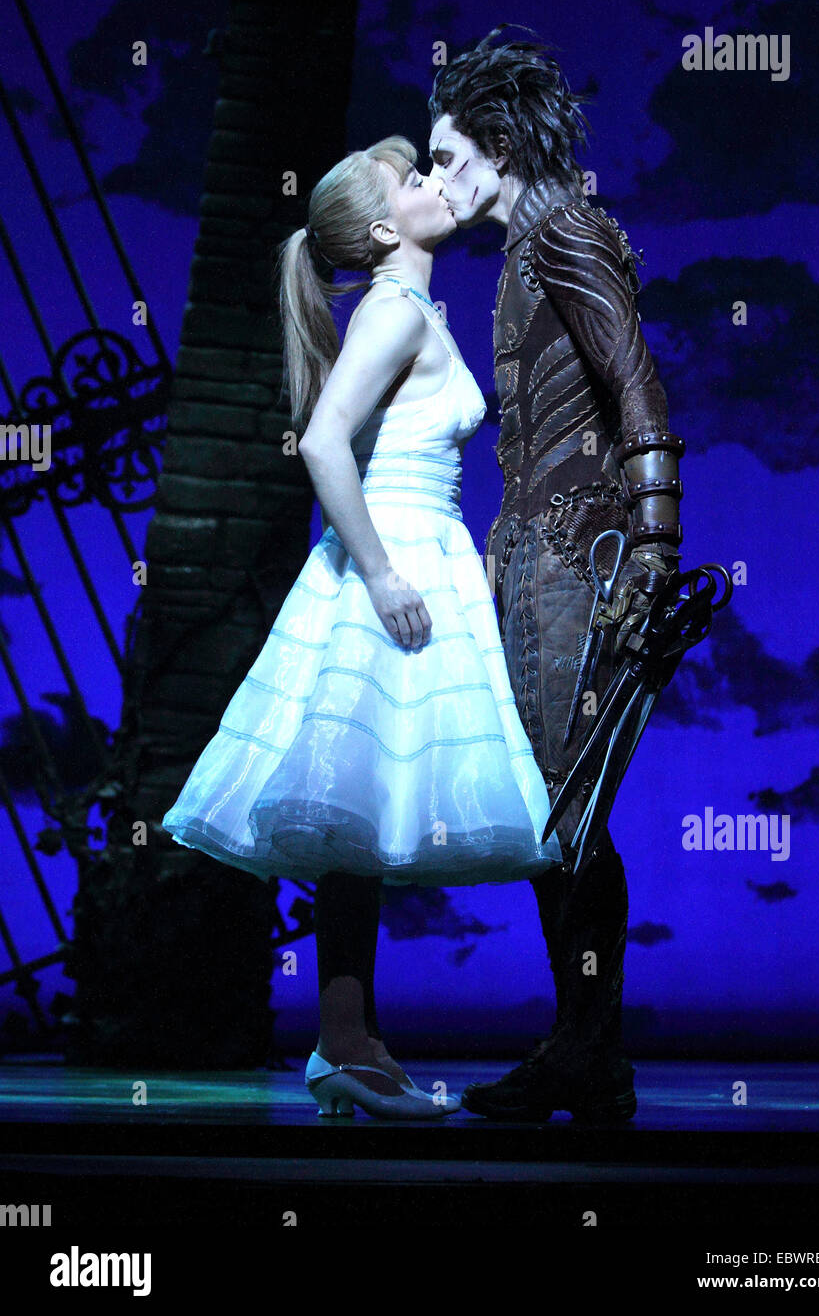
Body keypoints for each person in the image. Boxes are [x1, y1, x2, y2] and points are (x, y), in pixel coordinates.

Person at [161, 134, 564, 1120]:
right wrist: (381, 572)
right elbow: (326, 442)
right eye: (416, 179)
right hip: (397, 556)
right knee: (357, 808)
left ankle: (351, 1043)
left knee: (365, 809)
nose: (435, 183)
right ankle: (346, 1043)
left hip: (427, 547)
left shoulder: (414, 305)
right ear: (387, 228)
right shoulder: (392, 310)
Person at [428, 28, 685, 1122]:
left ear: (495, 142)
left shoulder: (565, 231)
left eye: (448, 158)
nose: (439, 181)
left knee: (567, 813)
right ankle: (583, 1046)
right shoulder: (525, 251)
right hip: (532, 559)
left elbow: (637, 386)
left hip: (581, 558)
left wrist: (658, 547)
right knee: (552, 815)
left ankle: (591, 1048)